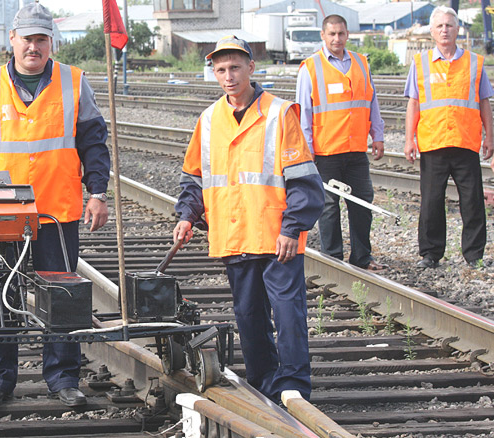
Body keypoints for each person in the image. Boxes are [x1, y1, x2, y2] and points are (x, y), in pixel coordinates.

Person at [0, 2, 110, 408]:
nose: (33, 47)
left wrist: (98, 192)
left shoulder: (74, 82)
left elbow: (93, 142)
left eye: (41, 40)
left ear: (51, 42)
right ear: (12, 41)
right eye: (26, 39)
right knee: (1, 294)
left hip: (57, 208)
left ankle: (63, 378)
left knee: (62, 296)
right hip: (0, 213)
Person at [173, 36, 324, 402]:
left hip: (277, 238)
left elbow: (304, 180)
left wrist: (293, 227)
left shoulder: (279, 113)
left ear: (250, 68)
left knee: (288, 316)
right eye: (221, 69)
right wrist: (187, 216)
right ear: (214, 72)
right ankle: (264, 384)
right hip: (235, 236)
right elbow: (195, 178)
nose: (229, 76)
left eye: (235, 67)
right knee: (249, 316)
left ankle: (294, 388)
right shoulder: (208, 121)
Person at [404, 6, 493, 269]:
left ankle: (474, 255)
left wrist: (490, 137)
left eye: (449, 25)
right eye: (440, 26)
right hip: (433, 142)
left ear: (458, 29)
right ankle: (431, 254)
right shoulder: (420, 64)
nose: (445, 30)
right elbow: (413, 103)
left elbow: (485, 102)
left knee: (473, 201)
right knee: (431, 201)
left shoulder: (474, 63)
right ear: (432, 32)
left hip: (466, 142)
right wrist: (409, 139)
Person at [296, 14, 387, 271]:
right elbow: (304, 112)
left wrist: (377, 134)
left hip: (356, 150)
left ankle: (362, 257)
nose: (337, 38)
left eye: (341, 33)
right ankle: (332, 259)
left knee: (362, 204)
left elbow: (372, 103)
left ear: (347, 35)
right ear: (323, 36)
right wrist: (307, 150)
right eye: (332, 34)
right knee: (328, 207)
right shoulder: (310, 68)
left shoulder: (361, 63)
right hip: (325, 152)